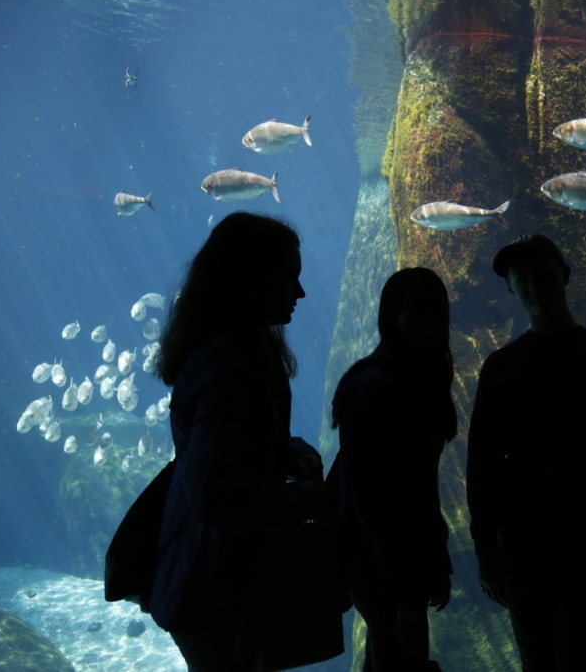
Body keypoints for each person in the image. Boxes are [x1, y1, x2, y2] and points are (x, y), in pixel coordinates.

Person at [149, 212, 327, 671]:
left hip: (218, 580)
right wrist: (305, 500)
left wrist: (285, 450)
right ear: (251, 280)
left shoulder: (239, 353)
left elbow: (232, 445)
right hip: (211, 585)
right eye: (289, 278)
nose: (299, 292)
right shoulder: (224, 368)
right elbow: (215, 494)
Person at [467, 234, 586, 671]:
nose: (532, 285)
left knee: (583, 658)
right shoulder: (499, 368)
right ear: (510, 289)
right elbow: (482, 465)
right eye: (521, 278)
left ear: (563, 276)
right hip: (527, 549)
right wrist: (487, 550)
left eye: (541, 274)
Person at [330, 267, 456, 671]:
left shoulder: (420, 380)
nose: (427, 322)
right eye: (415, 311)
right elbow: (371, 498)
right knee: (397, 647)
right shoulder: (372, 387)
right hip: (379, 555)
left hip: (404, 548)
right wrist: (404, 582)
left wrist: (434, 547)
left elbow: (420, 482)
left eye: (434, 311)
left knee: (395, 651)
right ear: (391, 315)